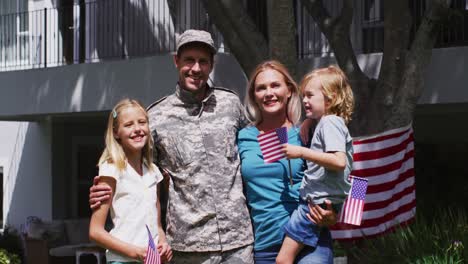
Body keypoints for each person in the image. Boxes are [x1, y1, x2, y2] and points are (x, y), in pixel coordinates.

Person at [89, 30, 255, 263]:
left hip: (238, 242)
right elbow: (134, 172)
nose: (196, 69)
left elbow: (254, 148)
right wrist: (104, 189)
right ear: (176, 61)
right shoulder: (154, 118)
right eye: (189, 60)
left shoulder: (231, 104)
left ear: (211, 65)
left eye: (203, 61)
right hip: (188, 247)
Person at [238, 60, 337, 264]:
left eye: (275, 85)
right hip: (264, 244)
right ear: (254, 97)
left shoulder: (309, 132)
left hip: (309, 240)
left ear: (289, 90)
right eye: (261, 88)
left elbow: (350, 172)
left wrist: (336, 215)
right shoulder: (242, 137)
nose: (268, 93)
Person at [276, 66, 354, 264]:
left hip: (314, 206)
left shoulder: (330, 123)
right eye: (303, 95)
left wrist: (301, 152)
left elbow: (340, 162)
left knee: (283, 260)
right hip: (314, 204)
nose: (304, 100)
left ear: (330, 97)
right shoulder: (321, 124)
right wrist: (310, 122)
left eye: (309, 95)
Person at [89, 99, 172, 263]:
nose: (137, 129)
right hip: (123, 260)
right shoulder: (111, 169)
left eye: (142, 122)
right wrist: (135, 253)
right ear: (116, 133)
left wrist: (163, 243)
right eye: (128, 125)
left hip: (151, 261)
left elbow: (157, 226)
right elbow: (95, 232)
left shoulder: (153, 172)